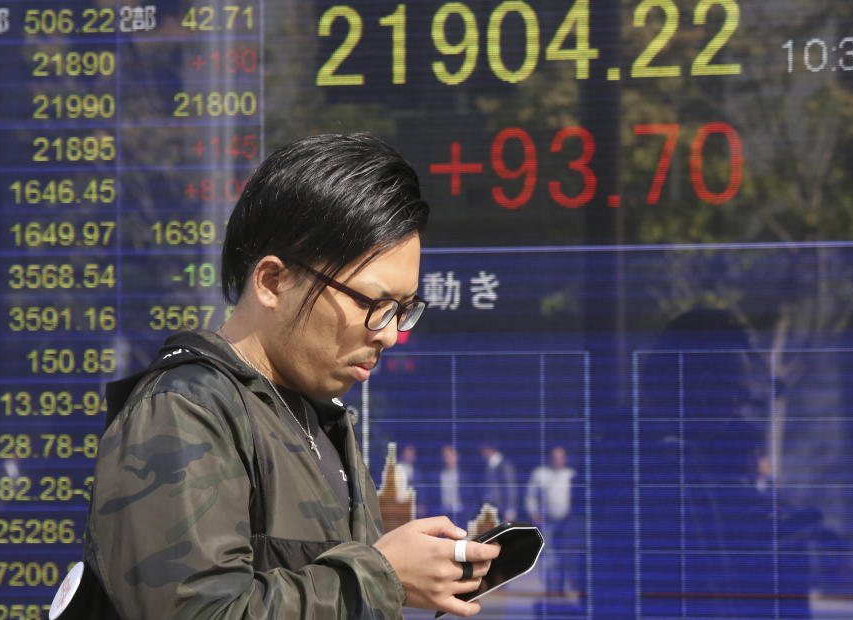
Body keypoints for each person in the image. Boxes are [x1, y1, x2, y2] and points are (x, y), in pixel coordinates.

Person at [82, 133, 499, 618]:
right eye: (373, 304)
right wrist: (381, 575)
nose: (388, 335)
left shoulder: (319, 420)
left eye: (403, 310)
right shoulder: (183, 410)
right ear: (273, 282)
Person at [525, 445, 576, 594]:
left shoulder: (570, 474)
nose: (558, 460)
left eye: (561, 457)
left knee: (566, 555)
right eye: (555, 457)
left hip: (567, 522)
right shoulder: (540, 474)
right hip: (547, 521)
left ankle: (562, 588)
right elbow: (530, 496)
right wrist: (534, 514)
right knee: (548, 555)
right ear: (549, 458)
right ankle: (550, 588)